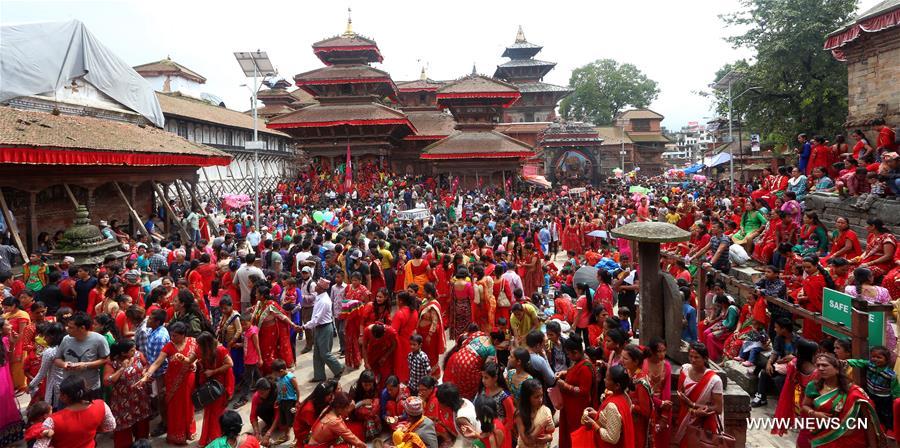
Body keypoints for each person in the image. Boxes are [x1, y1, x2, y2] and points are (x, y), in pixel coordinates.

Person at [800, 353, 885, 447]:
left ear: (837, 369)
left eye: (825, 365)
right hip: (823, 437)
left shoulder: (854, 392)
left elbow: (868, 421)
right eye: (818, 365)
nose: (820, 368)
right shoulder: (813, 386)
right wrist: (815, 414)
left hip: (851, 440)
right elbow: (805, 405)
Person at [140, 321, 197, 445]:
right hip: (173, 382)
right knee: (174, 408)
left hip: (188, 380)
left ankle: (188, 432)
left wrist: (195, 364)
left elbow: (199, 356)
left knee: (188, 405)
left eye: (175, 336)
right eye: (171, 335)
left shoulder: (193, 342)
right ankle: (176, 435)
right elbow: (157, 362)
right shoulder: (169, 346)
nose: (172, 338)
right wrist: (147, 375)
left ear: (183, 335)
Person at [32, 376, 115, 448]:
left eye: (60, 393)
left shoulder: (52, 421)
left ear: (64, 396)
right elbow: (110, 426)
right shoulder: (101, 405)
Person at [673, 343, 723, 448]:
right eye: (690, 356)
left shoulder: (714, 380)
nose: (693, 360)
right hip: (685, 418)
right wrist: (693, 411)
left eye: (696, 357)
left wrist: (694, 405)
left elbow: (718, 408)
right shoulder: (685, 370)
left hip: (705, 423)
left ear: (705, 359)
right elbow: (681, 395)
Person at [103, 340, 151, 448]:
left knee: (142, 426)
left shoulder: (138, 355)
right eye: (132, 350)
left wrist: (145, 374)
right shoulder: (112, 362)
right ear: (123, 353)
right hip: (122, 402)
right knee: (123, 430)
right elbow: (107, 381)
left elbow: (146, 366)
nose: (135, 351)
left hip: (139, 399)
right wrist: (122, 369)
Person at [54, 311, 109, 399]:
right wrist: (64, 365)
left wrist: (86, 365)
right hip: (69, 389)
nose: (67, 329)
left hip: (90, 388)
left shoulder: (99, 340)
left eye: (71, 327)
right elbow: (57, 359)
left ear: (82, 328)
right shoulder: (66, 339)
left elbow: (105, 360)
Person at [554, 335, 596, 448]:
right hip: (570, 406)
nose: (568, 356)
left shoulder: (586, 367)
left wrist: (565, 386)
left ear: (576, 352)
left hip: (578, 409)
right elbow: (574, 373)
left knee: (576, 433)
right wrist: (564, 373)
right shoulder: (578, 361)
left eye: (568, 354)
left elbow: (583, 391)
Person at [580, 364, 636, 448]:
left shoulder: (612, 406)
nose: (604, 379)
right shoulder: (625, 397)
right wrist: (596, 414)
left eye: (607, 378)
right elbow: (616, 421)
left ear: (617, 386)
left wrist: (593, 424)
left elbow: (612, 438)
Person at [197, 332, 235, 446]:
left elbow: (230, 364)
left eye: (200, 345)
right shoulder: (204, 350)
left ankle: (216, 439)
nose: (198, 347)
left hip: (219, 386)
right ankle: (208, 437)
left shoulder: (220, 349)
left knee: (217, 412)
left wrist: (213, 371)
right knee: (209, 410)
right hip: (209, 385)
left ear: (206, 344)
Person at [303, 278, 343, 382]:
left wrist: (304, 326)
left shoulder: (324, 301)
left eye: (317, 285)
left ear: (321, 289)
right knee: (317, 354)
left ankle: (338, 369)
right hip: (319, 328)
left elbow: (316, 319)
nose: (315, 286)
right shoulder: (319, 297)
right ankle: (319, 376)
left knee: (325, 353)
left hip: (324, 327)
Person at [622, 344, 654, 448]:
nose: (622, 360)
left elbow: (645, 411)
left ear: (635, 362)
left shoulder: (641, 383)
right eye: (622, 357)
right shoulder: (629, 373)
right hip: (628, 421)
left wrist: (629, 405)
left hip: (637, 426)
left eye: (625, 358)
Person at [0, 317, 25, 446]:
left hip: (5, 376)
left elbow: (8, 358)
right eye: (7, 324)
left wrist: (13, 343)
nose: (10, 325)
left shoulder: (4, 340)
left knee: (7, 403)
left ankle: (9, 437)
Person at [292, 379, 337, 448]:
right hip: (303, 433)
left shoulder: (318, 402)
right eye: (329, 395)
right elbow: (315, 427)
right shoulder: (309, 409)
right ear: (322, 396)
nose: (331, 396)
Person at [514, 379, 553, 448]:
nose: (540, 400)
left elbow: (550, 434)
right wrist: (541, 425)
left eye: (541, 395)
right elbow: (527, 442)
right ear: (527, 398)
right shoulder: (520, 415)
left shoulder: (544, 410)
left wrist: (548, 438)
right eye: (536, 397)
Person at [2, 296, 30, 391]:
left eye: (6, 307)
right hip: (7, 341)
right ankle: (10, 384)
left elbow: (23, 333)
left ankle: (20, 385)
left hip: (19, 342)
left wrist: (16, 341)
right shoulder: (6, 315)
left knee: (18, 364)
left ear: (14, 305)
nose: (5, 310)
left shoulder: (22, 315)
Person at [417, 283, 446, 376]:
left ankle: (433, 374)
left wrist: (429, 335)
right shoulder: (426, 301)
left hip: (430, 335)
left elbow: (434, 321)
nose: (423, 292)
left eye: (424, 291)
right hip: (422, 332)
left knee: (431, 354)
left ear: (429, 293)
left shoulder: (433, 305)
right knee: (423, 351)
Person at [392, 291, 419, 383]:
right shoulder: (415, 311)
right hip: (411, 342)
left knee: (400, 365)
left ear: (400, 301)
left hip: (400, 344)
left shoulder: (399, 314)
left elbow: (393, 332)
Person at [449, 267, 474, 341]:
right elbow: (472, 297)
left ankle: (458, 341)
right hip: (466, 307)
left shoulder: (454, 284)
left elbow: (452, 296)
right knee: (466, 325)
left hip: (457, 307)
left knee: (458, 324)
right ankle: (465, 340)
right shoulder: (468, 285)